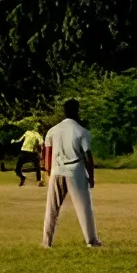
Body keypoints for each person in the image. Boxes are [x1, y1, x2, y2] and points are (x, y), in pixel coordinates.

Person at [42, 99, 102, 248]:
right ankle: (91, 241)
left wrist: (49, 171)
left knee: (51, 208)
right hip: (75, 171)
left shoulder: (53, 130)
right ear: (77, 111)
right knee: (84, 207)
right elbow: (88, 156)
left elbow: (48, 154)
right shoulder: (81, 131)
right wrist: (91, 176)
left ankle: (46, 242)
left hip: (57, 169)